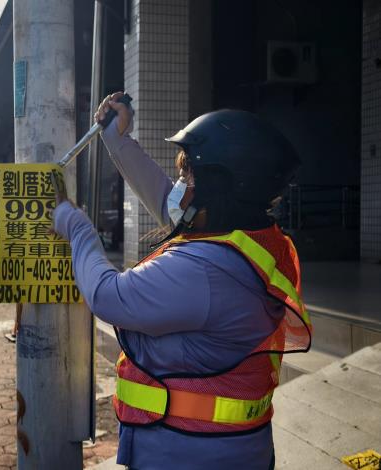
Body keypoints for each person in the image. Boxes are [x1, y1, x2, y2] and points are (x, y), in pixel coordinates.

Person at [51, 92, 312, 470]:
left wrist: (75, 225)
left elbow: (108, 296)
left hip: (188, 453)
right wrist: (117, 141)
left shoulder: (204, 271)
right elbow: (168, 203)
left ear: (221, 186)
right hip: (233, 449)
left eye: (188, 174)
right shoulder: (255, 242)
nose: (179, 183)